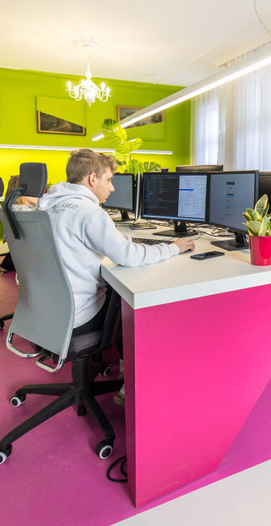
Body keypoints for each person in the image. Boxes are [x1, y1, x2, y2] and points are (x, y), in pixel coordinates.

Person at [38, 149, 195, 405]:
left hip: (46, 310)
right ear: (92, 179)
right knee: (126, 303)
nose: (112, 188)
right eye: (109, 180)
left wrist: (119, 239)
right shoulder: (89, 212)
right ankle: (129, 381)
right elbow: (128, 256)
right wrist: (173, 248)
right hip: (76, 316)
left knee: (114, 288)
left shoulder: (50, 204)